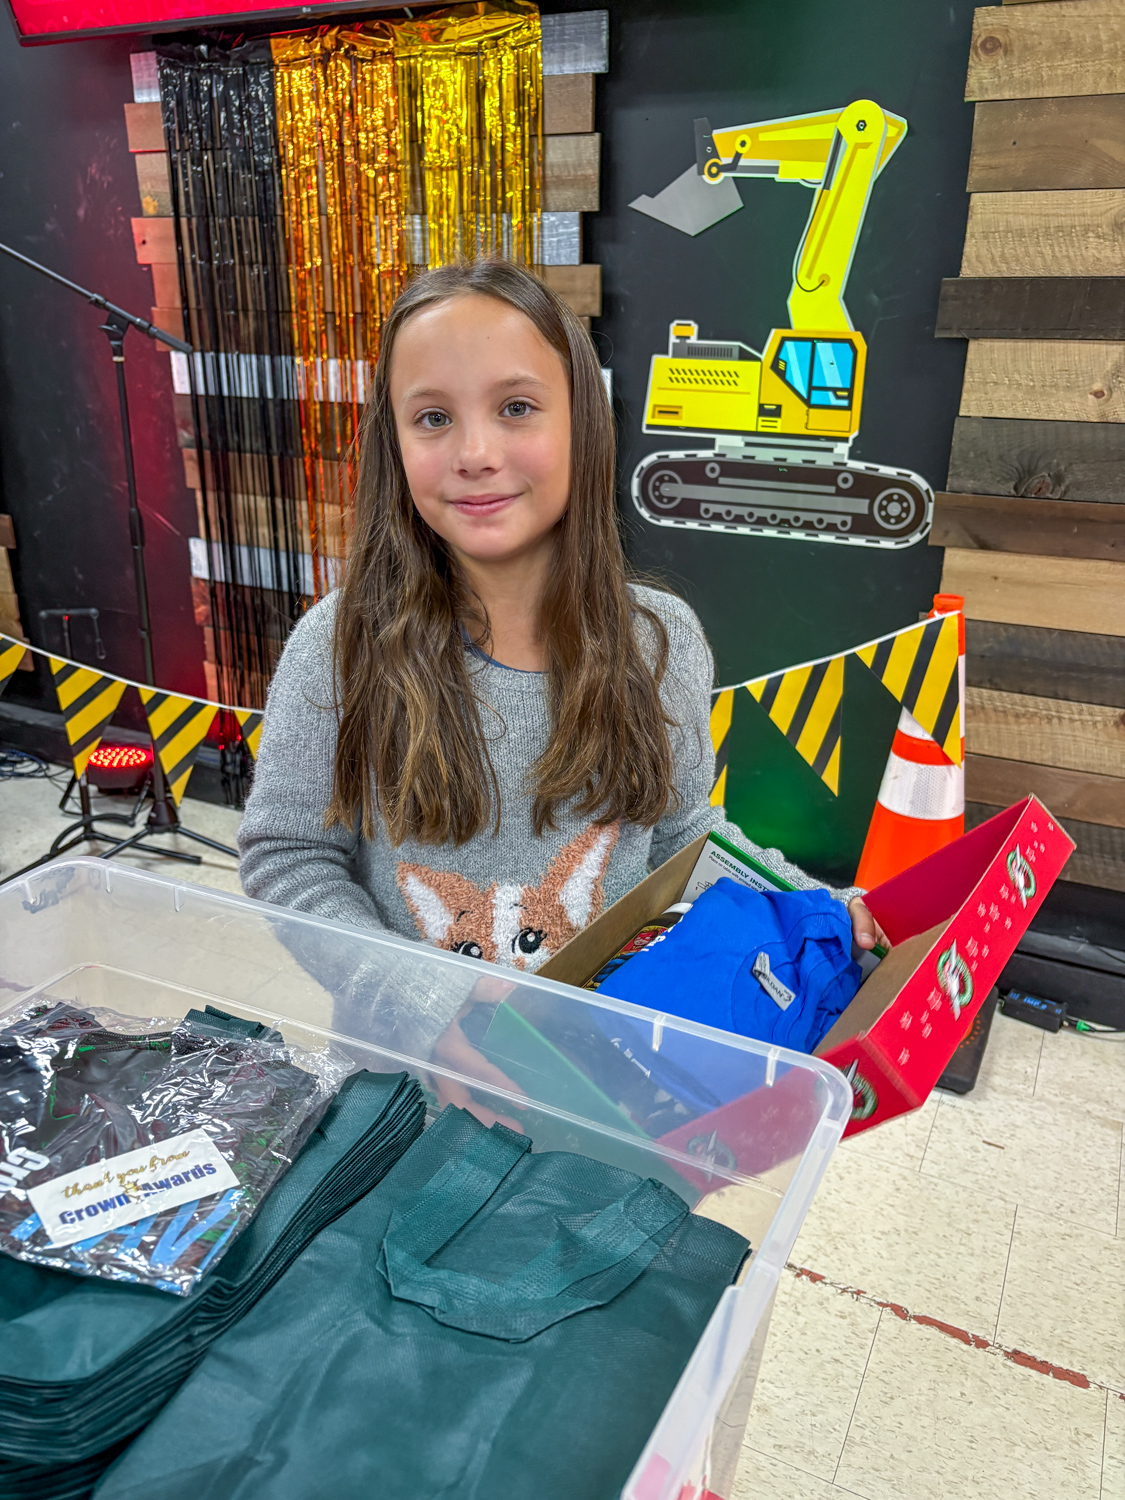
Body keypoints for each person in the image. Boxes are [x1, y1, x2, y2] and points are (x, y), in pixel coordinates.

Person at [238, 261, 886, 1070]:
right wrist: (426, 1006)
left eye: (515, 408)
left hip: (604, 1074)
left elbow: (681, 834)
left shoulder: (660, 641)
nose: (475, 452)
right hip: (402, 1086)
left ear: (582, 421)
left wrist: (814, 904)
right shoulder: (341, 644)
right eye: (432, 417)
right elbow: (288, 858)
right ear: (393, 445)